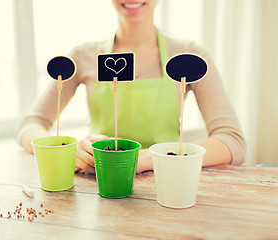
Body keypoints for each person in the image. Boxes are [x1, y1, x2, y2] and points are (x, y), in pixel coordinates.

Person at [16, 0, 246, 174]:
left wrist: (142, 159)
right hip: (97, 185)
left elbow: (232, 142)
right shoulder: (82, 56)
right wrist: (68, 151)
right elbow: (30, 126)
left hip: (169, 181)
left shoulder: (189, 57)